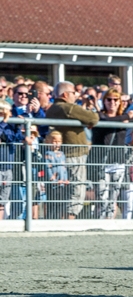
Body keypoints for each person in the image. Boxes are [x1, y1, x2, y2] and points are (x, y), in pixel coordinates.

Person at [46, 81, 99, 219]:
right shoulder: (67, 107)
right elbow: (93, 118)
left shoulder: (53, 108)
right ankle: (68, 222)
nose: (76, 95)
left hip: (61, 155)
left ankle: (61, 220)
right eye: (74, 93)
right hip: (74, 155)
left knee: (64, 192)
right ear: (65, 94)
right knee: (76, 191)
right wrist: (89, 111)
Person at [93, 90, 133, 219]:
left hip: (118, 162)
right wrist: (126, 117)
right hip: (101, 163)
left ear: (120, 102)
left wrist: (127, 118)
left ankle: (110, 222)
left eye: (115, 100)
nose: (112, 102)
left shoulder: (123, 116)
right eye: (109, 99)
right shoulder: (99, 115)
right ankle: (100, 221)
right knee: (102, 197)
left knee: (113, 198)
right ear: (104, 101)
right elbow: (105, 120)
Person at [0, 100, 35, 220]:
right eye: (7, 112)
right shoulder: (3, 124)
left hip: (8, 168)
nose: (10, 114)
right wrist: (4, 122)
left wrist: (23, 135)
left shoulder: (10, 125)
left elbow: (15, 136)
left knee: (2, 200)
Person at [43, 130, 70, 219]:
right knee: (52, 203)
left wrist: (65, 179)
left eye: (59, 141)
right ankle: (50, 219)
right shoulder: (48, 154)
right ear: (49, 142)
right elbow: (47, 167)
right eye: (54, 141)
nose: (57, 144)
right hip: (53, 184)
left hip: (61, 183)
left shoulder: (62, 154)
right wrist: (52, 179)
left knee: (60, 203)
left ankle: (58, 220)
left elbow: (64, 168)